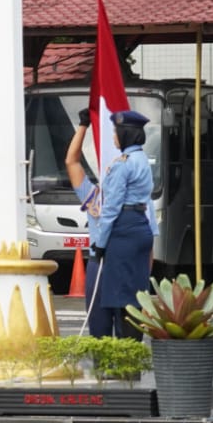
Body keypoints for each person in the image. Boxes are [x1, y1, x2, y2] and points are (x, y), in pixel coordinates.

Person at [89, 109, 156, 340]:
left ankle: (123, 360)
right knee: (136, 296)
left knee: (120, 298)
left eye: (117, 132)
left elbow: (111, 208)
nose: (114, 137)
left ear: (126, 134)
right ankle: (132, 357)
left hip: (123, 230)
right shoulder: (142, 160)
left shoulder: (123, 164)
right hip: (140, 225)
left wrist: (100, 243)